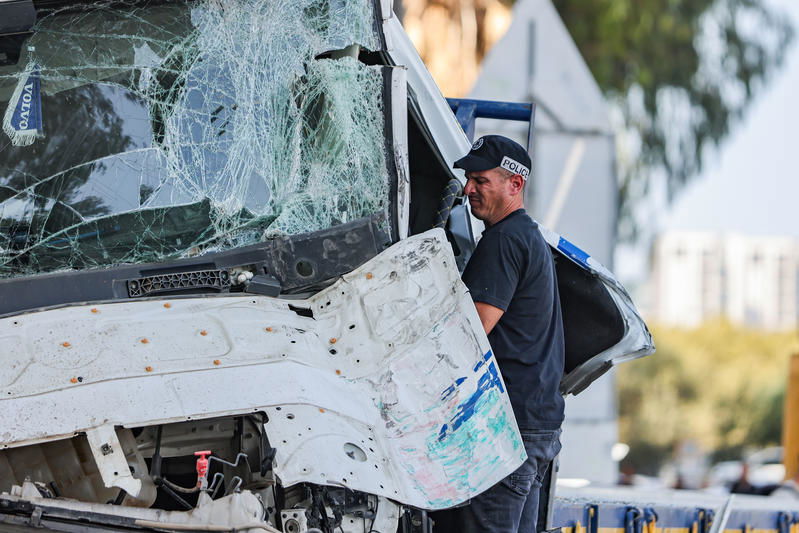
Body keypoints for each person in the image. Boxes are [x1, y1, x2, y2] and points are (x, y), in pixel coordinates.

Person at [436, 135, 565, 533]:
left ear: (515, 184)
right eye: (468, 179)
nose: (469, 189)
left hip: (504, 431)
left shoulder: (504, 239)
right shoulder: (530, 237)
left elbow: (471, 332)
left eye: (481, 180)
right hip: (537, 426)